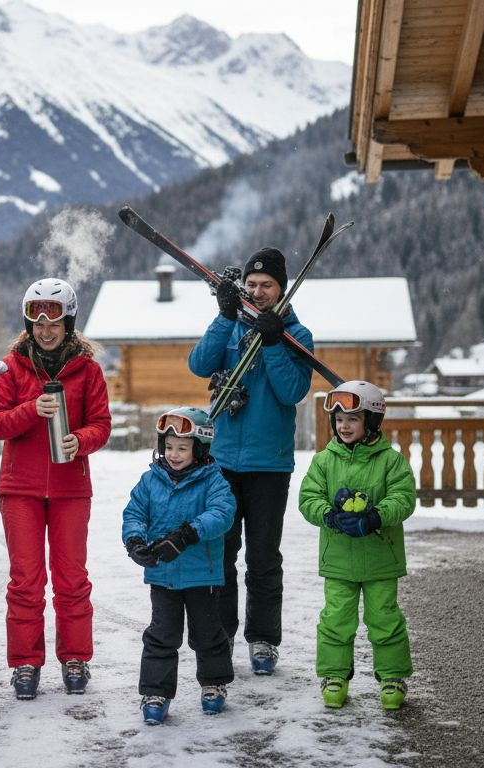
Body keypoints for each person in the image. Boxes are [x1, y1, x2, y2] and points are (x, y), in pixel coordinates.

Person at [187, 247, 315, 676]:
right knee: (220, 553)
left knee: (262, 557)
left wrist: (276, 342)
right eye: (252, 285)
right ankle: (219, 634)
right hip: (221, 460)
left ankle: (263, 639)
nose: (258, 292)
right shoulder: (231, 326)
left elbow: (291, 391)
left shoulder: (298, 335)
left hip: (269, 464)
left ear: (281, 289)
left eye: (267, 285)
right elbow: (199, 364)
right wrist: (224, 316)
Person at [0, 277, 111, 699]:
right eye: (37, 322)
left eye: (54, 321)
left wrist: (83, 440)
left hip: (70, 489)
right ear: (29, 323)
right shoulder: (10, 367)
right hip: (19, 489)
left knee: (72, 577)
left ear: (69, 322)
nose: (45, 329)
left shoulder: (89, 370)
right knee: (25, 579)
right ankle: (25, 664)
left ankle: (75, 658)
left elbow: (102, 423)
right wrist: (29, 410)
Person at [298, 380, 415, 710]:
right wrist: (330, 516)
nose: (343, 426)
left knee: (385, 618)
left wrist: (375, 517)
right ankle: (334, 674)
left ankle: (392, 676)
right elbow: (308, 499)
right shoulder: (324, 460)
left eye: (352, 419)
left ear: (372, 422)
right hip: (339, 561)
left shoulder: (391, 461)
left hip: (381, 560)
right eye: (338, 420)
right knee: (336, 619)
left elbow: (403, 498)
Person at [121, 407, 237, 725]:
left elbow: (222, 513)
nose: (173, 454)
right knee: (162, 634)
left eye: (182, 448)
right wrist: (134, 541)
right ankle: (156, 692)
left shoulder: (213, 480)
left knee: (208, 632)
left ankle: (214, 684)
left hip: (203, 575)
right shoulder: (150, 481)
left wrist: (188, 534)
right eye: (168, 446)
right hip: (163, 574)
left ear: (199, 449)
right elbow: (134, 513)